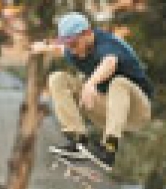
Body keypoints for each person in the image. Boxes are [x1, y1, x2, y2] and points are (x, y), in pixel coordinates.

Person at [31, 12, 153, 172]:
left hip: (136, 110)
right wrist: (42, 47)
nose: (73, 51)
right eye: (69, 46)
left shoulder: (108, 44)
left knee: (119, 82)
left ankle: (109, 149)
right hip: (106, 111)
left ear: (88, 33)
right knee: (57, 78)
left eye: (74, 44)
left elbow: (110, 62)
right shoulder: (73, 50)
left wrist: (91, 83)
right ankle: (78, 140)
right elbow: (59, 49)